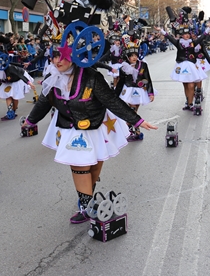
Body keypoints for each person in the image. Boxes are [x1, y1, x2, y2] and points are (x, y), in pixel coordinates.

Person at [22, 37, 157, 224]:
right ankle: (86, 207)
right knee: (79, 166)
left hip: (96, 124)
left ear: (76, 58)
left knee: (93, 166)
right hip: (70, 127)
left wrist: (137, 121)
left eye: (63, 57)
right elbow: (44, 102)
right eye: (54, 57)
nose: (57, 61)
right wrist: (30, 121)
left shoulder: (92, 77)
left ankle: (87, 195)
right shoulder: (52, 77)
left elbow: (112, 101)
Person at [114, 42, 154, 141]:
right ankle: (136, 131)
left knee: (134, 110)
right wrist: (114, 95)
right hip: (128, 90)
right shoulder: (123, 67)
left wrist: (150, 93)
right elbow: (120, 82)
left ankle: (130, 129)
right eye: (131, 56)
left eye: (135, 55)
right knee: (132, 110)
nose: (134, 57)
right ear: (127, 57)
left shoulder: (143, 65)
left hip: (139, 91)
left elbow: (147, 79)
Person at [161, 25, 207, 111]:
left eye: (188, 34)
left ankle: (191, 102)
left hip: (191, 65)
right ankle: (188, 103)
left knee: (191, 84)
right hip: (181, 65)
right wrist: (161, 30)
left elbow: (202, 37)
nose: (187, 35)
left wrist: (208, 29)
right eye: (185, 34)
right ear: (182, 35)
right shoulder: (178, 42)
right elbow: (169, 37)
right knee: (185, 84)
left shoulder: (193, 42)